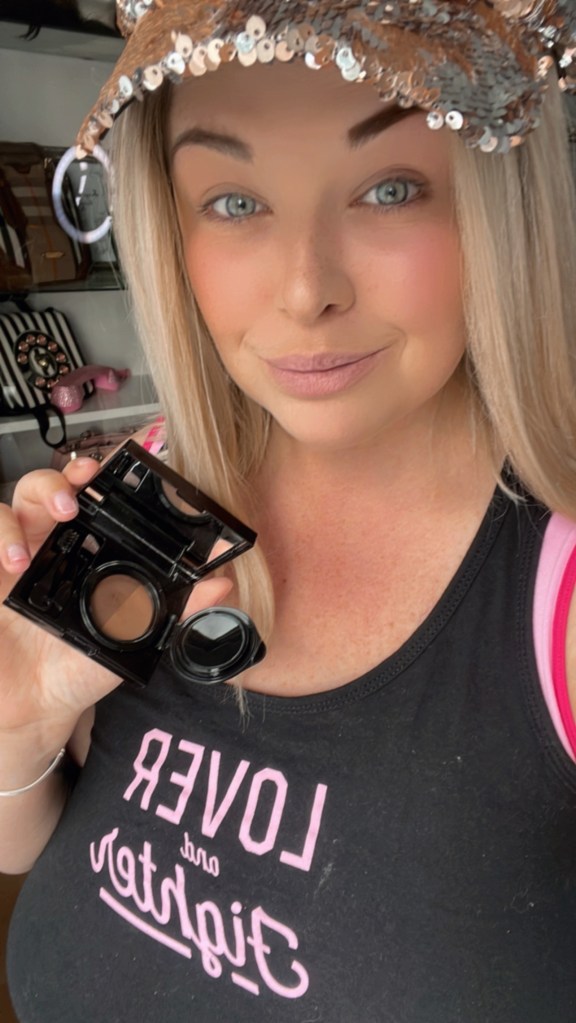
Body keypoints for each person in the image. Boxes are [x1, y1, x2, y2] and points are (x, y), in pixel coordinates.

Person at [1, 0, 576, 1019]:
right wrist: (21, 720)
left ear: (501, 205)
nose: (306, 290)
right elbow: (36, 842)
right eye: (233, 202)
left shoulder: (556, 602)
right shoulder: (153, 482)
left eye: (390, 189)